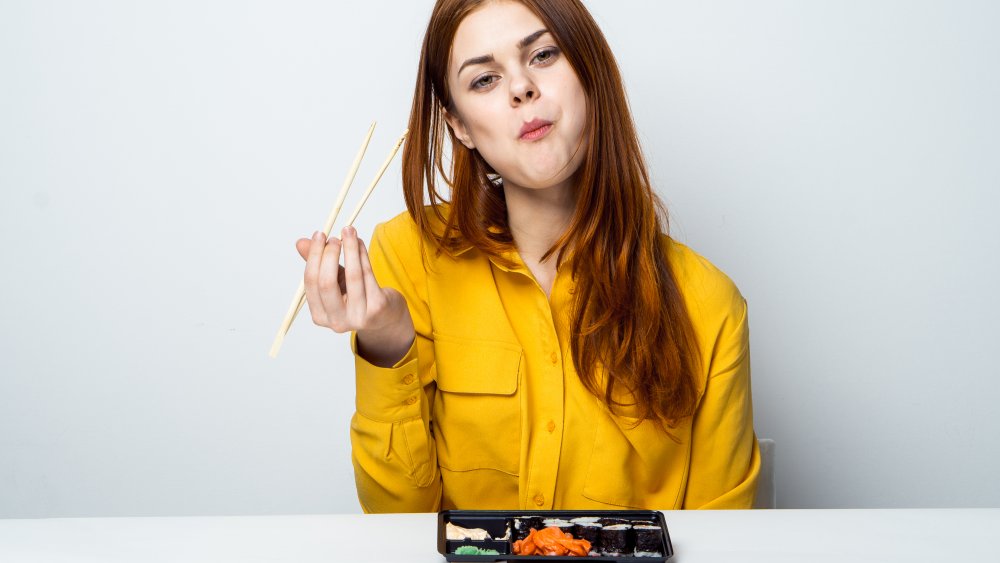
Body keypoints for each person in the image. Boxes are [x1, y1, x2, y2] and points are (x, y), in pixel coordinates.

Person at [296, 0, 760, 512]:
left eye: (542, 55)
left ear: (592, 73)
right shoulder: (407, 257)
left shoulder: (710, 306)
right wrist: (386, 344)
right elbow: (398, 522)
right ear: (460, 127)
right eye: (484, 81)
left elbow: (724, 539)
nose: (521, 88)